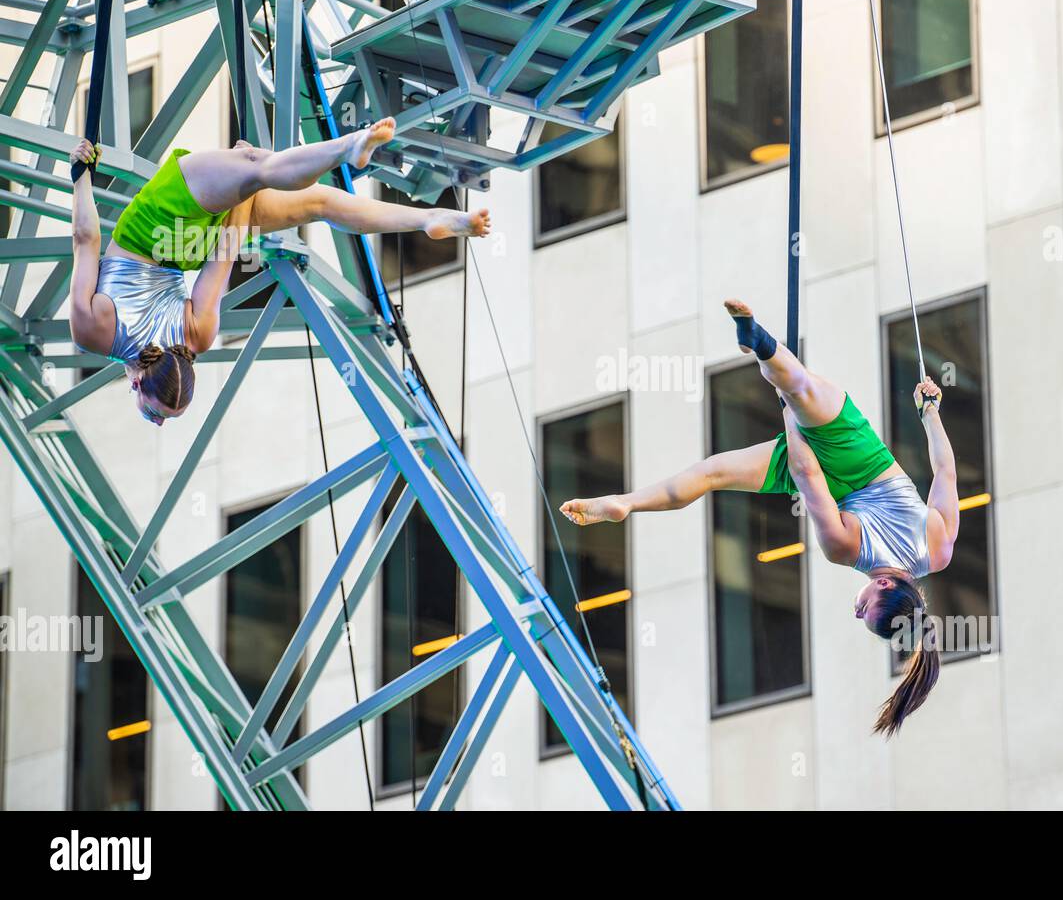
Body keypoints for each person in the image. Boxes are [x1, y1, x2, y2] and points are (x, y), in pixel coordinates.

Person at [560, 300, 960, 736]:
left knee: (802, 388)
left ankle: (763, 344)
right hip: (833, 466)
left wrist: (930, 413)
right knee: (713, 472)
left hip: (860, 456)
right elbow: (805, 475)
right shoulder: (845, 550)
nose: (856, 608)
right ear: (884, 586)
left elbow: (944, 471)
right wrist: (791, 422)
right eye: (864, 610)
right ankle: (629, 503)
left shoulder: (938, 550)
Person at [67, 119, 491, 425]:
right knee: (259, 167)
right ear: (139, 384)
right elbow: (86, 239)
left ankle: (424, 217)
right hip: (160, 229)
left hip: (180, 241)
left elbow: (226, 252)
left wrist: (242, 191)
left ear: (144, 384)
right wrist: (80, 176)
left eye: (158, 417)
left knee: (312, 201)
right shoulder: (94, 333)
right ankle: (355, 154)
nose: (157, 422)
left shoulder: (197, 339)